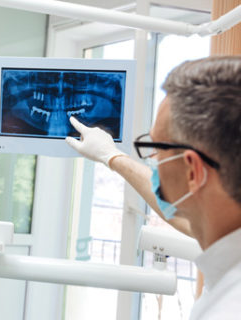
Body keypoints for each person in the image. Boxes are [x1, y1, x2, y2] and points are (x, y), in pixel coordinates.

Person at [66, 55, 241, 319]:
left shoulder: (228, 307)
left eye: (156, 148)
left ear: (193, 170)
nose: (153, 162)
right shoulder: (224, 231)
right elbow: (188, 216)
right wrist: (111, 157)